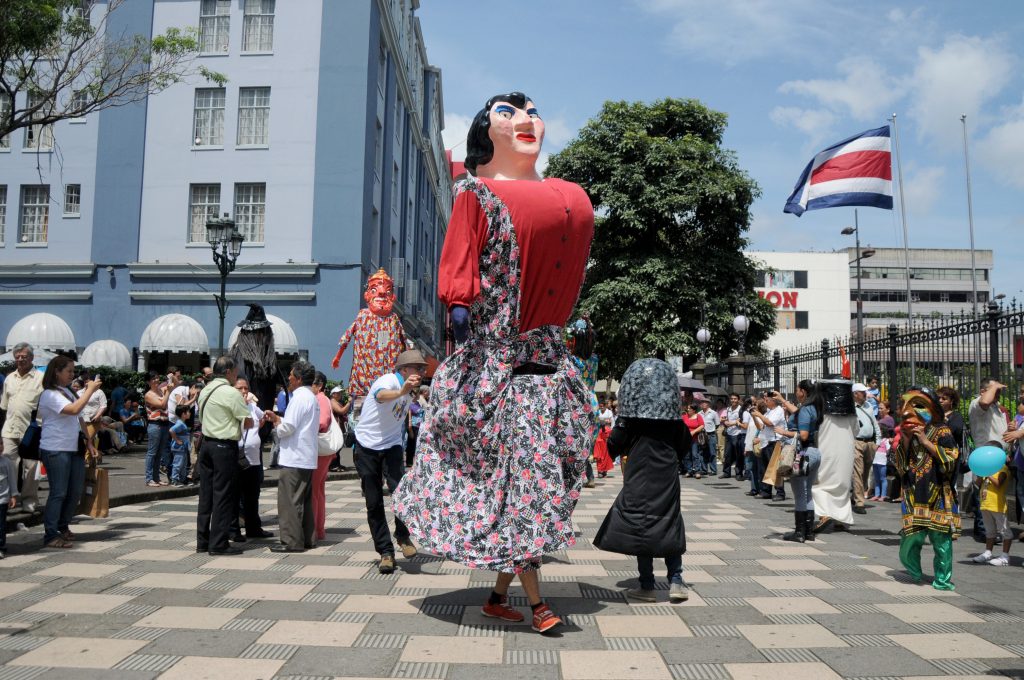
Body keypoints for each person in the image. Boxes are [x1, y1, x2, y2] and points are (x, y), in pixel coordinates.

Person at [393, 92, 596, 635]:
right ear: (488, 130)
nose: (525, 119)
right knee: (524, 495)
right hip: (504, 376)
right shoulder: (475, 194)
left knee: (527, 496)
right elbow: (458, 272)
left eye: (532, 110)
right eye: (508, 112)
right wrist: (462, 320)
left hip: (547, 369)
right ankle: (539, 606)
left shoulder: (570, 196)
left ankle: (496, 595)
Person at [594, 359, 690, 603]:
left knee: (641, 524)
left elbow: (614, 446)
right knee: (670, 520)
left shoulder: (632, 420)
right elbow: (684, 447)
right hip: (666, 475)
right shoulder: (675, 422)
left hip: (638, 474)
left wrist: (623, 424)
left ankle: (646, 585)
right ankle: (676, 581)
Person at [354, 351, 424, 572]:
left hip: (392, 445)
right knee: (374, 502)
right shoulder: (389, 380)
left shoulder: (409, 390)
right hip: (367, 447)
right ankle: (385, 552)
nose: (422, 372)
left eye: (423, 369)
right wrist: (402, 390)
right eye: (417, 368)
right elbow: (380, 396)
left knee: (401, 492)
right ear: (404, 370)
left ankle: (403, 537)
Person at [890, 386, 960, 590]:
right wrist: (904, 439)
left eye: (918, 406)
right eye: (904, 406)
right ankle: (914, 570)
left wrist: (925, 441)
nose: (905, 412)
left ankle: (943, 579)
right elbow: (902, 467)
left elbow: (950, 461)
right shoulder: (909, 431)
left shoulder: (943, 431)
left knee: (941, 541)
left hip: (937, 493)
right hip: (914, 492)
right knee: (911, 537)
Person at [37, 356, 102, 548]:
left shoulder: (68, 391)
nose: (72, 375)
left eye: (73, 371)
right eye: (69, 371)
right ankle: (50, 533)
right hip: (56, 448)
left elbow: (80, 417)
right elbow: (73, 410)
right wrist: (89, 391)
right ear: (57, 372)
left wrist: (89, 442)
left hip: (73, 447)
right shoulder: (49, 394)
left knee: (74, 491)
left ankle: (62, 525)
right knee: (59, 492)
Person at [195, 356, 254, 555]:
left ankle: (202, 540)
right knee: (223, 495)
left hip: (206, 445)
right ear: (228, 371)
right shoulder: (231, 393)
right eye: (236, 371)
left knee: (206, 494)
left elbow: (201, 417)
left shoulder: (205, 390)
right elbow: (247, 422)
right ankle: (218, 543)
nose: (237, 375)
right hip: (224, 446)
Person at [264, 361, 320, 553]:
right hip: (306, 455)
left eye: (291, 374)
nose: (288, 378)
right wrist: (279, 420)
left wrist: (277, 426)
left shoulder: (299, 398)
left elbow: (288, 428)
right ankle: (307, 538)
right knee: (304, 500)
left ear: (298, 378)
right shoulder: (311, 397)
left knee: (289, 501)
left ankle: (291, 541)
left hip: (294, 456)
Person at [774, 380, 824, 543]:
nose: (796, 392)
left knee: (799, 494)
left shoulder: (805, 410)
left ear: (803, 391)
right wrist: (783, 400)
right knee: (808, 492)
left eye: (797, 390)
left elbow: (802, 434)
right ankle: (809, 531)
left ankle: (799, 533)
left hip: (802, 453)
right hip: (815, 452)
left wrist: (784, 432)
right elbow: (797, 412)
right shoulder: (813, 408)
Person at [1, 343, 44, 513]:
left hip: (31, 430)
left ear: (32, 358)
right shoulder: (9, 378)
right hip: (10, 428)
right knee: (8, 465)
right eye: (17, 356)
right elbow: (4, 406)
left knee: (31, 468)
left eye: (24, 356)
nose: (20, 359)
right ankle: (11, 499)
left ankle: (29, 500)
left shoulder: (40, 378)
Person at [968, 378, 1010, 542]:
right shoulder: (977, 403)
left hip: (998, 456)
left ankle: (993, 530)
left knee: (993, 495)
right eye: (994, 390)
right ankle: (984, 531)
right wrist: (993, 386)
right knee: (983, 494)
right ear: (983, 391)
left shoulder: (997, 408)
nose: (997, 393)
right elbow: (985, 401)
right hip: (985, 456)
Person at [234, 377, 272, 541]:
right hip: (238, 458)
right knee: (235, 496)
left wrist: (262, 420)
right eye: (240, 388)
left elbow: (261, 419)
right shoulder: (234, 406)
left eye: (246, 388)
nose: (244, 391)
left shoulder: (252, 406)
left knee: (252, 496)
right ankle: (234, 530)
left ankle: (253, 528)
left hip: (254, 459)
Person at [970, 456, 1012, 566]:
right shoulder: (987, 469)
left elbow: (998, 484)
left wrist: (988, 473)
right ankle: (988, 553)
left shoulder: (1003, 468)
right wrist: (981, 473)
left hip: (998, 505)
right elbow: (978, 484)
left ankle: (1005, 556)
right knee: (989, 530)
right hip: (985, 505)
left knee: (1004, 531)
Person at [751, 391, 787, 500]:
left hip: (775, 442)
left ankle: (780, 492)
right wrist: (754, 416)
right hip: (765, 442)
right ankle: (766, 491)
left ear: (773, 401)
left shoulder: (778, 411)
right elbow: (761, 427)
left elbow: (770, 423)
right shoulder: (768, 412)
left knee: (775, 468)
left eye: (767, 400)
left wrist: (759, 415)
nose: (765, 402)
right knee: (765, 468)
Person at [311, 372, 334, 542]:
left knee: (314, 490)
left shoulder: (320, 398)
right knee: (318, 489)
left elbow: (323, 421)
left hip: (319, 449)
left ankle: (316, 528)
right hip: (323, 451)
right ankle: (319, 528)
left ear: (318, 385)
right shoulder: (324, 398)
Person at [852, 382, 881, 515]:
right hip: (856, 441)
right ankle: (859, 502)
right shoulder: (851, 408)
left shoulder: (868, 405)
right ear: (855, 394)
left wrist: (878, 442)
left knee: (865, 471)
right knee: (858, 471)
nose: (865, 394)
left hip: (870, 443)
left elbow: (874, 423)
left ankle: (857, 495)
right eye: (862, 392)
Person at [143, 372, 172, 487]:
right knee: (152, 452)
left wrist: (170, 377)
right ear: (148, 382)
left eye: (157, 378)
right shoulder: (149, 395)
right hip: (155, 424)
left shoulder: (161, 391)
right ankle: (149, 478)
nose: (156, 380)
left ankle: (156, 478)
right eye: (153, 379)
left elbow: (176, 384)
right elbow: (162, 405)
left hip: (164, 423)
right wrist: (168, 391)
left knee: (159, 453)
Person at [721, 393, 746, 480]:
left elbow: (741, 421)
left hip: (737, 434)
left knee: (738, 455)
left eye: (735, 399)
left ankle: (739, 473)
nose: (733, 400)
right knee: (727, 454)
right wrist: (724, 421)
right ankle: (726, 472)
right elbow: (725, 420)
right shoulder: (728, 409)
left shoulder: (741, 410)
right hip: (729, 433)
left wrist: (732, 423)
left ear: (738, 400)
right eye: (732, 399)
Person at [168, 404, 192, 487]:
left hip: (183, 448)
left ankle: (182, 479)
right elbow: (171, 430)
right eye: (188, 412)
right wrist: (177, 440)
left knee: (183, 464)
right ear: (183, 414)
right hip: (179, 448)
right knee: (178, 464)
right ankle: (174, 480)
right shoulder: (180, 424)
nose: (190, 413)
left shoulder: (182, 423)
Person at [329, 385, 351, 472]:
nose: (340, 394)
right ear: (333, 394)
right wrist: (349, 403)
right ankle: (333, 465)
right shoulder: (333, 402)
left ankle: (337, 464)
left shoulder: (337, 402)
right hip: (335, 427)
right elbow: (341, 411)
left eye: (340, 393)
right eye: (338, 393)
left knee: (339, 447)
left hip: (339, 427)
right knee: (336, 447)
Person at [682, 403, 704, 478]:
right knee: (687, 455)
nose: (688, 410)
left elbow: (702, 425)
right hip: (686, 439)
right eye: (688, 408)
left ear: (694, 410)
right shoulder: (684, 417)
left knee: (695, 455)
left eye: (689, 409)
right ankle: (689, 470)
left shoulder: (698, 416)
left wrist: (694, 431)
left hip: (695, 439)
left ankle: (697, 471)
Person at [0, 451, 15, 557]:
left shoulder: (7, 462)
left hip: (2, 499)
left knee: (1, 525)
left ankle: (1, 546)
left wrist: (13, 495)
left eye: (1, 443)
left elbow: (12, 479)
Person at [699, 400, 720, 476]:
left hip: (711, 434)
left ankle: (713, 470)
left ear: (708, 404)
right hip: (702, 435)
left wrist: (711, 430)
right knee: (702, 452)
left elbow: (717, 424)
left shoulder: (713, 413)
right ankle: (704, 469)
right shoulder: (699, 413)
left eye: (705, 403)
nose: (703, 404)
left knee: (712, 453)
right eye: (702, 403)